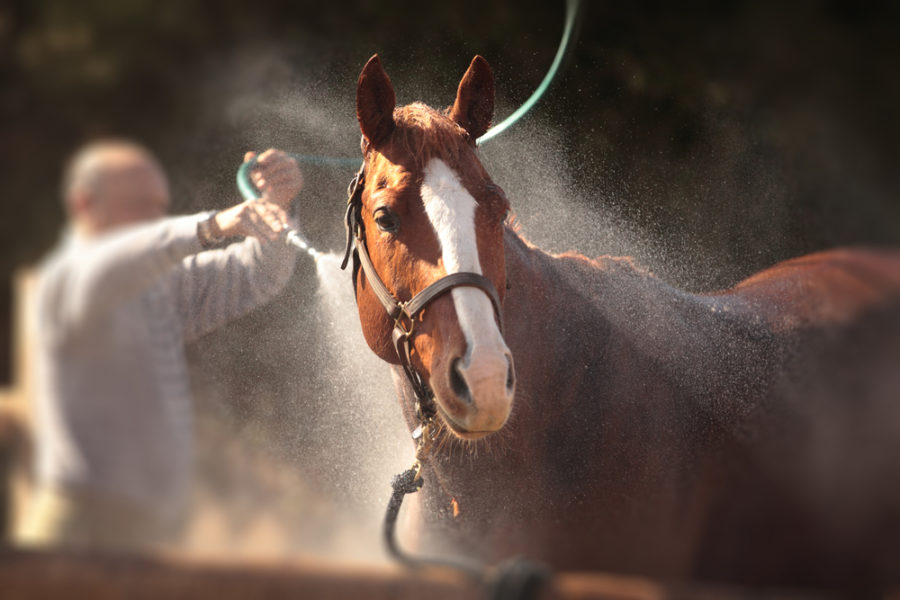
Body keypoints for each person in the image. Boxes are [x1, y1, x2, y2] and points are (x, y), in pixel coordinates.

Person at [17, 139, 303, 551]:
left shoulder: (162, 284)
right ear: (83, 205)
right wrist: (212, 225)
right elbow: (117, 261)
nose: (154, 217)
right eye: (138, 203)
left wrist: (277, 204)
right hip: (79, 525)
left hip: (151, 531)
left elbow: (257, 275)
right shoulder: (65, 279)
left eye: (158, 205)